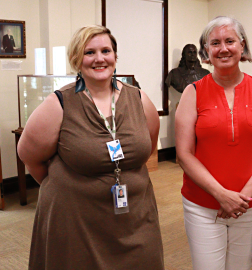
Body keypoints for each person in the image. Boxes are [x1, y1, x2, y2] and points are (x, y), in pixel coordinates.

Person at [18, 25, 164, 270]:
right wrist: (69, 188)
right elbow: (30, 158)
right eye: (89, 52)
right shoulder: (59, 104)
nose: (99, 59)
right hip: (76, 221)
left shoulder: (139, 98)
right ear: (77, 59)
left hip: (136, 216)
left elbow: (146, 146)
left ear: (115, 57)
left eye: (106, 50)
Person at [175, 16, 252, 270]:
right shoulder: (193, 92)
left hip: (247, 206)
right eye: (215, 43)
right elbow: (184, 154)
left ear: (242, 46)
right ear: (206, 51)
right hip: (202, 207)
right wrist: (221, 195)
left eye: (230, 41)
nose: (223, 48)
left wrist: (240, 198)